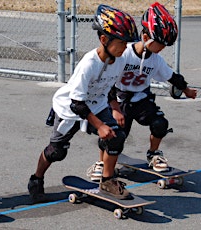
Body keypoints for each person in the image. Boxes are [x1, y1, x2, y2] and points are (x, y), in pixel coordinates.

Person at [28, 4, 140, 202]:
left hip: (97, 105)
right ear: (104, 39)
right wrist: (100, 125)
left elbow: (110, 85)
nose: (126, 47)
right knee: (56, 152)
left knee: (116, 137)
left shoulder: (119, 59)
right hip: (69, 109)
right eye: (122, 43)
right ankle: (36, 179)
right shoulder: (89, 63)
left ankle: (107, 181)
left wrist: (114, 108)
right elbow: (76, 103)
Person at [86, 2, 197, 182]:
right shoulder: (124, 53)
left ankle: (153, 154)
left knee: (160, 123)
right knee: (115, 135)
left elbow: (172, 77)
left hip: (141, 99)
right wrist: (114, 107)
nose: (162, 48)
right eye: (160, 43)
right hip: (120, 99)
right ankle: (101, 163)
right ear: (145, 37)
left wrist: (186, 90)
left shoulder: (156, 60)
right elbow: (108, 82)